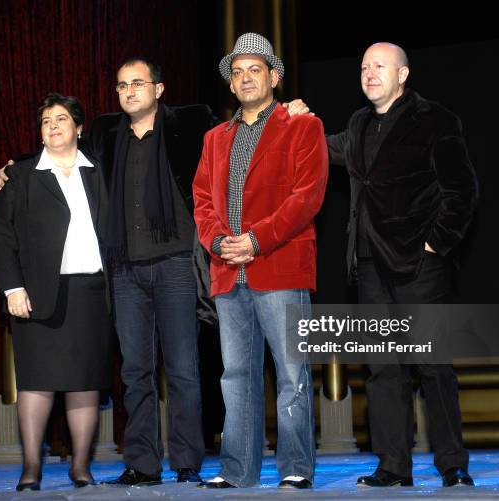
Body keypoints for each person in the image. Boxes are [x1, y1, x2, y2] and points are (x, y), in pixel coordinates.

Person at [0, 59, 310, 487]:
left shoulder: (194, 121)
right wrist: (16, 169)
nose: (129, 91)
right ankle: (142, 462)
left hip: (177, 263)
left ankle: (186, 460)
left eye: (138, 83)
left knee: (183, 368)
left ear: (158, 90)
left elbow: (251, 126)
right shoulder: (106, 134)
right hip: (125, 271)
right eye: (122, 85)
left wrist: (291, 107)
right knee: (135, 371)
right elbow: (61, 150)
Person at [327, 42, 479, 488]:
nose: (370, 73)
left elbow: (462, 190)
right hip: (370, 266)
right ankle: (393, 465)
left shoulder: (434, 119)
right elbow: (323, 150)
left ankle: (453, 464)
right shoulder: (357, 124)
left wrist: (437, 243)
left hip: (419, 264)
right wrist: (290, 121)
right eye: (364, 67)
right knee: (382, 368)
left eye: (380, 66)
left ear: (403, 74)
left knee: (433, 366)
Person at [193, 33, 328, 489]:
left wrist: (256, 238)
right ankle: (237, 471)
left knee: (292, 374)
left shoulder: (302, 126)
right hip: (229, 270)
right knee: (236, 377)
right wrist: (218, 242)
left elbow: (305, 198)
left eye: (255, 69)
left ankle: (295, 467)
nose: (246, 78)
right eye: (237, 72)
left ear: (274, 76)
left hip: (281, 266)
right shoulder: (214, 138)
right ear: (231, 85)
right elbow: (201, 199)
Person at [0, 93, 112, 491]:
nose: (54, 125)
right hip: (36, 294)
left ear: (78, 127)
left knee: (84, 381)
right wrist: (12, 287)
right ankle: (30, 470)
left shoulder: (100, 171)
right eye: (46, 121)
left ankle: (81, 468)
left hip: (92, 294)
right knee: (36, 382)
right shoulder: (22, 175)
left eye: (62, 119)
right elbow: (0, 235)